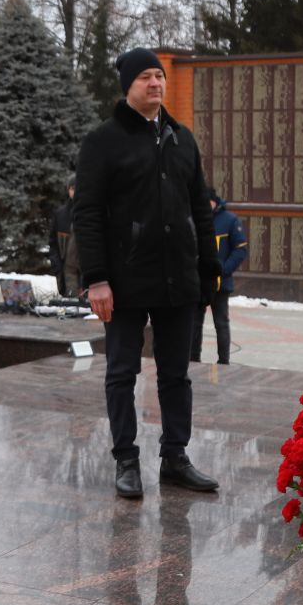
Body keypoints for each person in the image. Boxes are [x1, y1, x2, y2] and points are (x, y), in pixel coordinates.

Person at [74, 48, 221, 500]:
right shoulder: (103, 141)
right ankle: (126, 460)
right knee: (122, 372)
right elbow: (88, 213)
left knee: (176, 374)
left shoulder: (182, 139)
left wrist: (208, 267)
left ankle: (175, 457)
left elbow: (200, 206)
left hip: (178, 279)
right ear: (128, 86)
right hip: (124, 281)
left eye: (159, 76)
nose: (155, 83)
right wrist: (96, 277)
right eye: (145, 77)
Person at [191, 191, 248, 366]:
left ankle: (224, 361)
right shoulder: (194, 218)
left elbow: (240, 249)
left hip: (220, 282)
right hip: (198, 281)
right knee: (195, 323)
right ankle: (194, 358)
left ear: (213, 201)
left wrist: (223, 269)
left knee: (221, 323)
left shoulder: (230, 220)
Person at [50, 178, 77, 294]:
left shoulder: (95, 213)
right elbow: (53, 244)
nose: (75, 192)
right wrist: (57, 268)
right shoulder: (60, 214)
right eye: (72, 188)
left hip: (90, 276)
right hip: (68, 275)